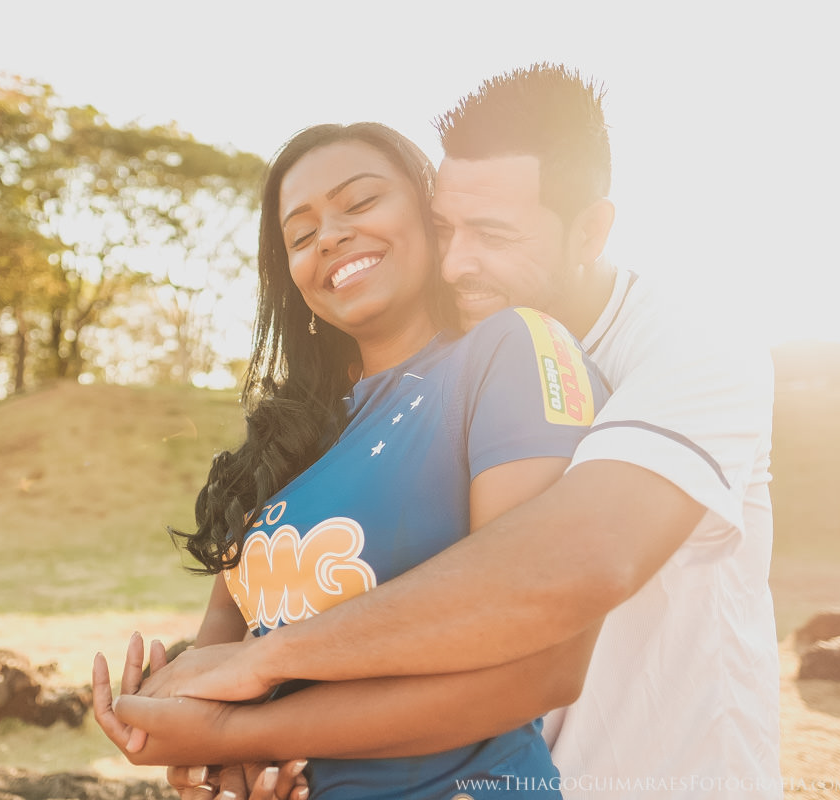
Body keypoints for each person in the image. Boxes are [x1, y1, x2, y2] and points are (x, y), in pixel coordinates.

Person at [103, 64, 781, 800]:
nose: (456, 264)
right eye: (444, 228)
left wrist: (248, 698)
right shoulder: (377, 400)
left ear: (589, 230)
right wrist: (228, 747)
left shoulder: (689, 348)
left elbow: (574, 566)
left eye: (492, 234)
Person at [93, 120, 610, 799]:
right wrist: (204, 753)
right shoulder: (283, 439)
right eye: (300, 235)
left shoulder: (512, 351)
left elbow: (535, 668)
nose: (329, 237)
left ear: (430, 216)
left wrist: (236, 736)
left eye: (361, 203)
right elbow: (223, 652)